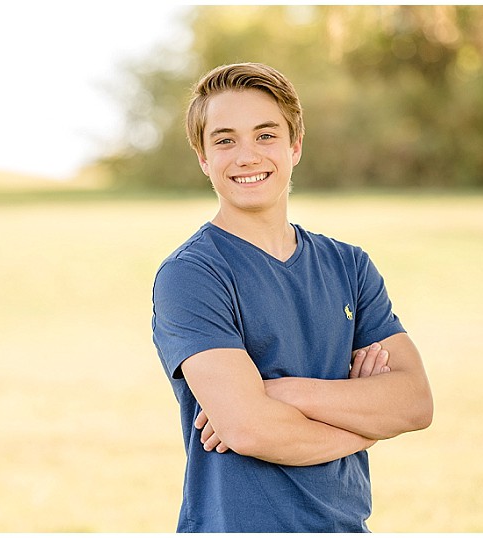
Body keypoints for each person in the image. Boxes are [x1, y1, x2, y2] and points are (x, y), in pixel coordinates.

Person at [151, 62, 433, 533]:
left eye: (265, 135)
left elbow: (415, 404)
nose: (247, 156)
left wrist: (280, 391)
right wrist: (369, 421)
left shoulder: (349, 266)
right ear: (203, 157)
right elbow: (248, 429)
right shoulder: (192, 274)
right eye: (224, 140)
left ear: (294, 145)